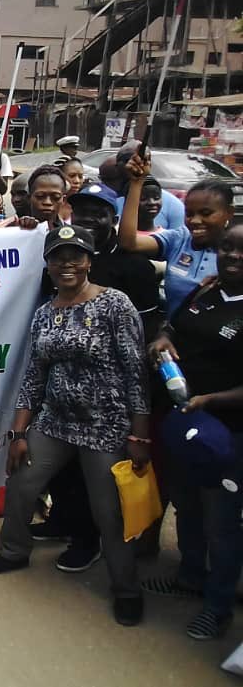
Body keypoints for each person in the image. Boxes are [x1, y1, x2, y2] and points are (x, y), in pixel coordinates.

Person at [0, 225, 149, 628]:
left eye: (75, 256)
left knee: (109, 511)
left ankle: (126, 588)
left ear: (89, 261)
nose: (66, 264)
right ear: (48, 264)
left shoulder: (115, 304)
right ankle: (13, 553)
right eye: (57, 257)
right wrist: (19, 433)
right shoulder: (44, 313)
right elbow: (34, 376)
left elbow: (136, 372)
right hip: (54, 422)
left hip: (106, 426)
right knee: (22, 483)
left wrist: (139, 434)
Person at [33, 183, 161, 572]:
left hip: (107, 413)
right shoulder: (57, 264)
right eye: (82, 210)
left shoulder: (133, 269)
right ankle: (64, 524)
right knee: (62, 477)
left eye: (99, 212)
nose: (89, 218)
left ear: (114, 218)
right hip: (58, 407)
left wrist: (139, 428)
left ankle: (94, 547)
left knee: (101, 490)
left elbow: (139, 353)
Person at [144, 224, 243, 640]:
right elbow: (173, 325)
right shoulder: (208, 290)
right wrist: (162, 340)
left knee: (222, 521)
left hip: (227, 432)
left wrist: (211, 400)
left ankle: (218, 607)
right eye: (227, 247)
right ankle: (189, 577)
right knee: (186, 504)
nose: (233, 255)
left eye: (242, 250)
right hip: (184, 421)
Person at [119, 152, 234, 317]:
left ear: (229, 213)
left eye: (206, 213)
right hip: (172, 331)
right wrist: (137, 183)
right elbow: (129, 243)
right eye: (189, 214)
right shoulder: (179, 239)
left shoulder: (237, 252)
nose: (195, 221)